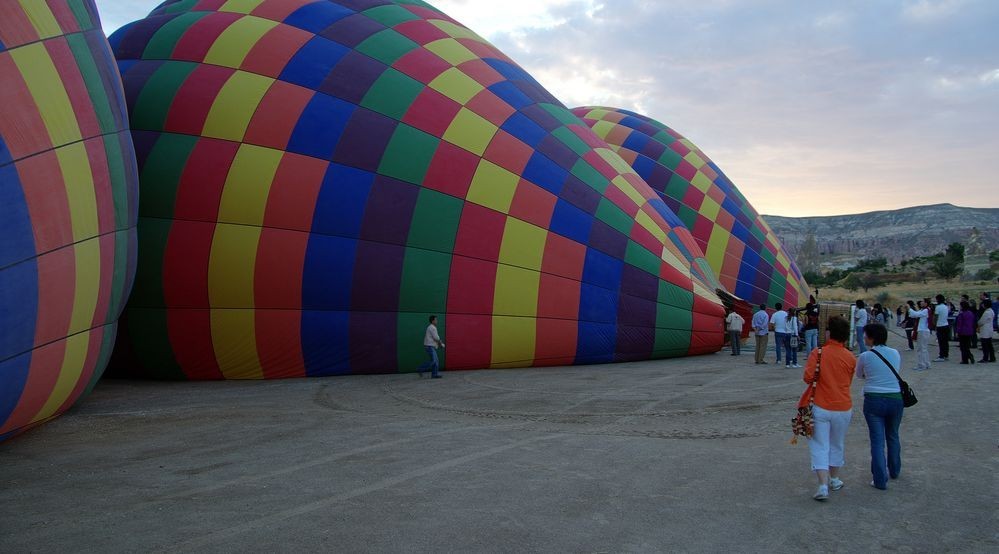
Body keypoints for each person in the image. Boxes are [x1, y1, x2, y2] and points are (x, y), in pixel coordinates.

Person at [803, 316, 856, 501]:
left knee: (820, 445)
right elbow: (848, 382)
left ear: (829, 333)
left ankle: (823, 485)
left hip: (821, 406)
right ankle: (834, 479)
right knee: (837, 443)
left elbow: (808, 377)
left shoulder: (818, 353)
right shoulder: (850, 357)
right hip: (843, 406)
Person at [855, 323, 904, 490]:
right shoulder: (895, 353)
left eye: (866, 335)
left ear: (872, 337)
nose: (864, 338)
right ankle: (895, 469)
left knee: (877, 441)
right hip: (895, 398)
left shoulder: (865, 356)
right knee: (893, 435)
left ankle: (880, 478)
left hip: (874, 399)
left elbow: (859, 374)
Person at [909, 300, 931, 371]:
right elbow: (913, 315)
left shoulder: (925, 310)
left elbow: (916, 314)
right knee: (924, 349)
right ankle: (926, 363)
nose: (922, 303)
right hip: (924, 330)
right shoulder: (923, 310)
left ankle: (922, 365)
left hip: (923, 330)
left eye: (924, 302)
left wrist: (909, 308)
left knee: (921, 349)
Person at [979, 293, 995, 363]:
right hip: (990, 329)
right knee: (989, 345)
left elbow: (981, 321)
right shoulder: (991, 311)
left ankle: (985, 358)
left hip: (985, 330)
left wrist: (977, 324)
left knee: (985, 345)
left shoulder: (986, 312)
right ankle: (992, 357)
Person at [933, 294, 950, 362]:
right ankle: (946, 355)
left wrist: (934, 324)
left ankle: (941, 355)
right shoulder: (945, 307)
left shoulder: (938, 307)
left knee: (941, 341)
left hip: (940, 326)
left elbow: (936, 317)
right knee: (945, 341)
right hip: (946, 325)